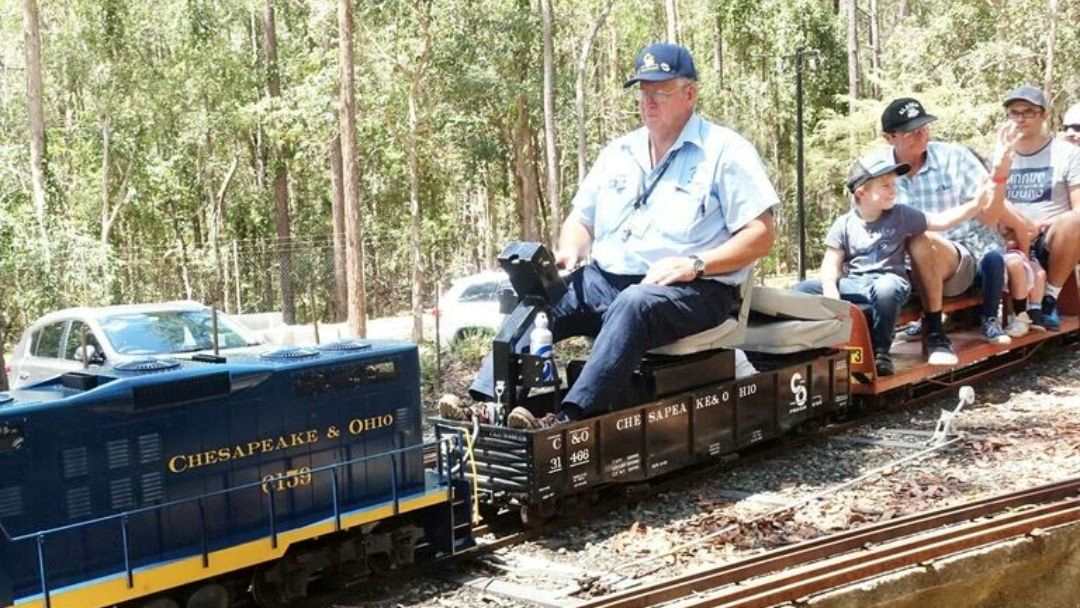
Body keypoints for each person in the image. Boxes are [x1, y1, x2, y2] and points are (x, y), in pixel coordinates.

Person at [447, 43, 778, 429]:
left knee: (634, 303)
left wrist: (696, 264)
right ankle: (487, 402)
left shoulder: (725, 151)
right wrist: (570, 248)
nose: (649, 102)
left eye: (661, 92)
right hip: (608, 280)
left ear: (690, 94)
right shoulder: (618, 153)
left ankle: (567, 421)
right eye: (643, 92)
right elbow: (581, 219)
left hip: (695, 289)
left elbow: (761, 234)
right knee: (541, 298)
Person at [795, 153, 995, 376]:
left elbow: (941, 221)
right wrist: (830, 291)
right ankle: (808, 350)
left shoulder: (901, 215)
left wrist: (977, 204)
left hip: (888, 282)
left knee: (886, 289)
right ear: (862, 192)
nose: (893, 190)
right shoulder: (844, 224)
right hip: (855, 284)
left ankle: (881, 352)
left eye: (894, 184)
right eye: (885, 185)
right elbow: (831, 263)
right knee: (802, 289)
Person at [876, 98, 1018, 363]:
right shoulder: (877, 173)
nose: (921, 134)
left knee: (923, 239)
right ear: (889, 137)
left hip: (959, 260)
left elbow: (990, 214)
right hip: (900, 266)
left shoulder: (954, 157)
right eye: (910, 131)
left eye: (924, 127)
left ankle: (935, 333)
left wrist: (999, 174)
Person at [995, 86, 1080, 330]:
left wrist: (1041, 225)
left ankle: (1050, 298)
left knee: (1075, 222)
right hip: (1011, 234)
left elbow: (1078, 208)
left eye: (1029, 112)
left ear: (1043, 115)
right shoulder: (1002, 154)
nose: (1021, 118)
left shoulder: (1068, 154)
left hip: (1053, 236)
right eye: (1014, 112)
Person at [1001, 224, 1047, 336]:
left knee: (1039, 273)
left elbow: (1030, 229)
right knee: (1017, 266)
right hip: (1006, 254)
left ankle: (1034, 310)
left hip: (1022, 252)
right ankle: (1018, 316)